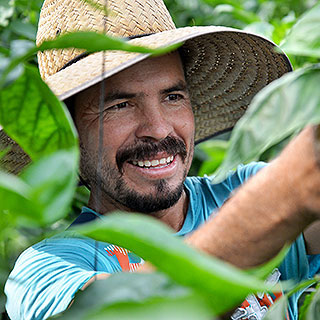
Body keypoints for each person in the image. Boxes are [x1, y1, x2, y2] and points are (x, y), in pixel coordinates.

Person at [4, 0, 320, 319]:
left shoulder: (245, 188)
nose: (158, 129)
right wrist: (285, 197)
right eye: (120, 105)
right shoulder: (48, 269)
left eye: (173, 97)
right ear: (68, 136)